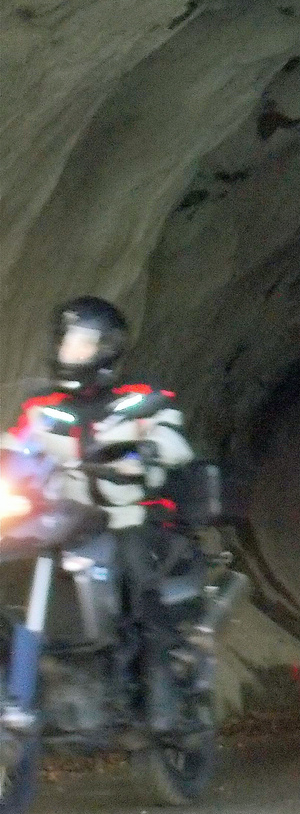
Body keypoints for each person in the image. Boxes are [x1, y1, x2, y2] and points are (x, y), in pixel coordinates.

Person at [2, 297, 196, 730]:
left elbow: (175, 440)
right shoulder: (43, 409)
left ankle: (159, 681)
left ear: (108, 348)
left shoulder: (142, 399)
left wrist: (147, 451)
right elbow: (15, 448)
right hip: (67, 517)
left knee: (136, 574)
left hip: (129, 515)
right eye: (66, 342)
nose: (70, 352)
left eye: (82, 343)